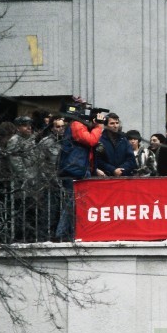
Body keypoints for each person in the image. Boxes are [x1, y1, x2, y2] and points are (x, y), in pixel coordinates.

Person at [55, 100, 106, 240]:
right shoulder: (76, 125)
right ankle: (63, 234)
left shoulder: (77, 125)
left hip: (79, 169)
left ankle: (70, 233)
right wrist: (98, 127)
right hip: (74, 170)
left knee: (76, 204)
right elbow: (90, 140)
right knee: (72, 204)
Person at [6, 116, 40, 241]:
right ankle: (21, 236)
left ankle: (31, 235)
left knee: (31, 210)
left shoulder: (31, 139)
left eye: (30, 125)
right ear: (18, 127)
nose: (29, 127)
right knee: (21, 210)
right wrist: (25, 176)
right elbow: (15, 161)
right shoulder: (15, 140)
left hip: (33, 180)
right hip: (21, 183)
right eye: (25, 125)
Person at [95, 113, 136, 177]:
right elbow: (98, 160)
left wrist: (121, 170)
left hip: (123, 177)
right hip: (106, 177)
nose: (115, 126)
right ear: (105, 125)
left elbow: (131, 159)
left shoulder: (124, 140)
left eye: (117, 123)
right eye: (112, 123)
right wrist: (113, 170)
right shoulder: (100, 140)